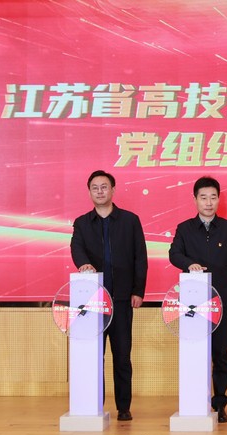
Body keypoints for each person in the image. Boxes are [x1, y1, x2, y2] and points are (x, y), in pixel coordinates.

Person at [70, 170, 148, 421]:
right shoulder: (82, 223)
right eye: (95, 188)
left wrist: (138, 290)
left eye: (104, 187)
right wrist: (83, 264)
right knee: (94, 356)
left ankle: (124, 407)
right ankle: (96, 404)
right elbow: (76, 248)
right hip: (93, 303)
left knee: (122, 356)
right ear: (89, 192)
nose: (100, 191)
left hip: (123, 299)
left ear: (113, 190)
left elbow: (140, 257)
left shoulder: (130, 220)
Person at [169, 176, 227, 424]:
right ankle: (195, 401)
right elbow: (174, 254)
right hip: (192, 303)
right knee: (195, 350)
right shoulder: (184, 228)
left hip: (222, 300)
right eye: (203, 197)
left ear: (219, 199)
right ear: (195, 200)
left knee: (220, 352)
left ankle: (220, 403)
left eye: (213, 197)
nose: (209, 202)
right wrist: (188, 263)